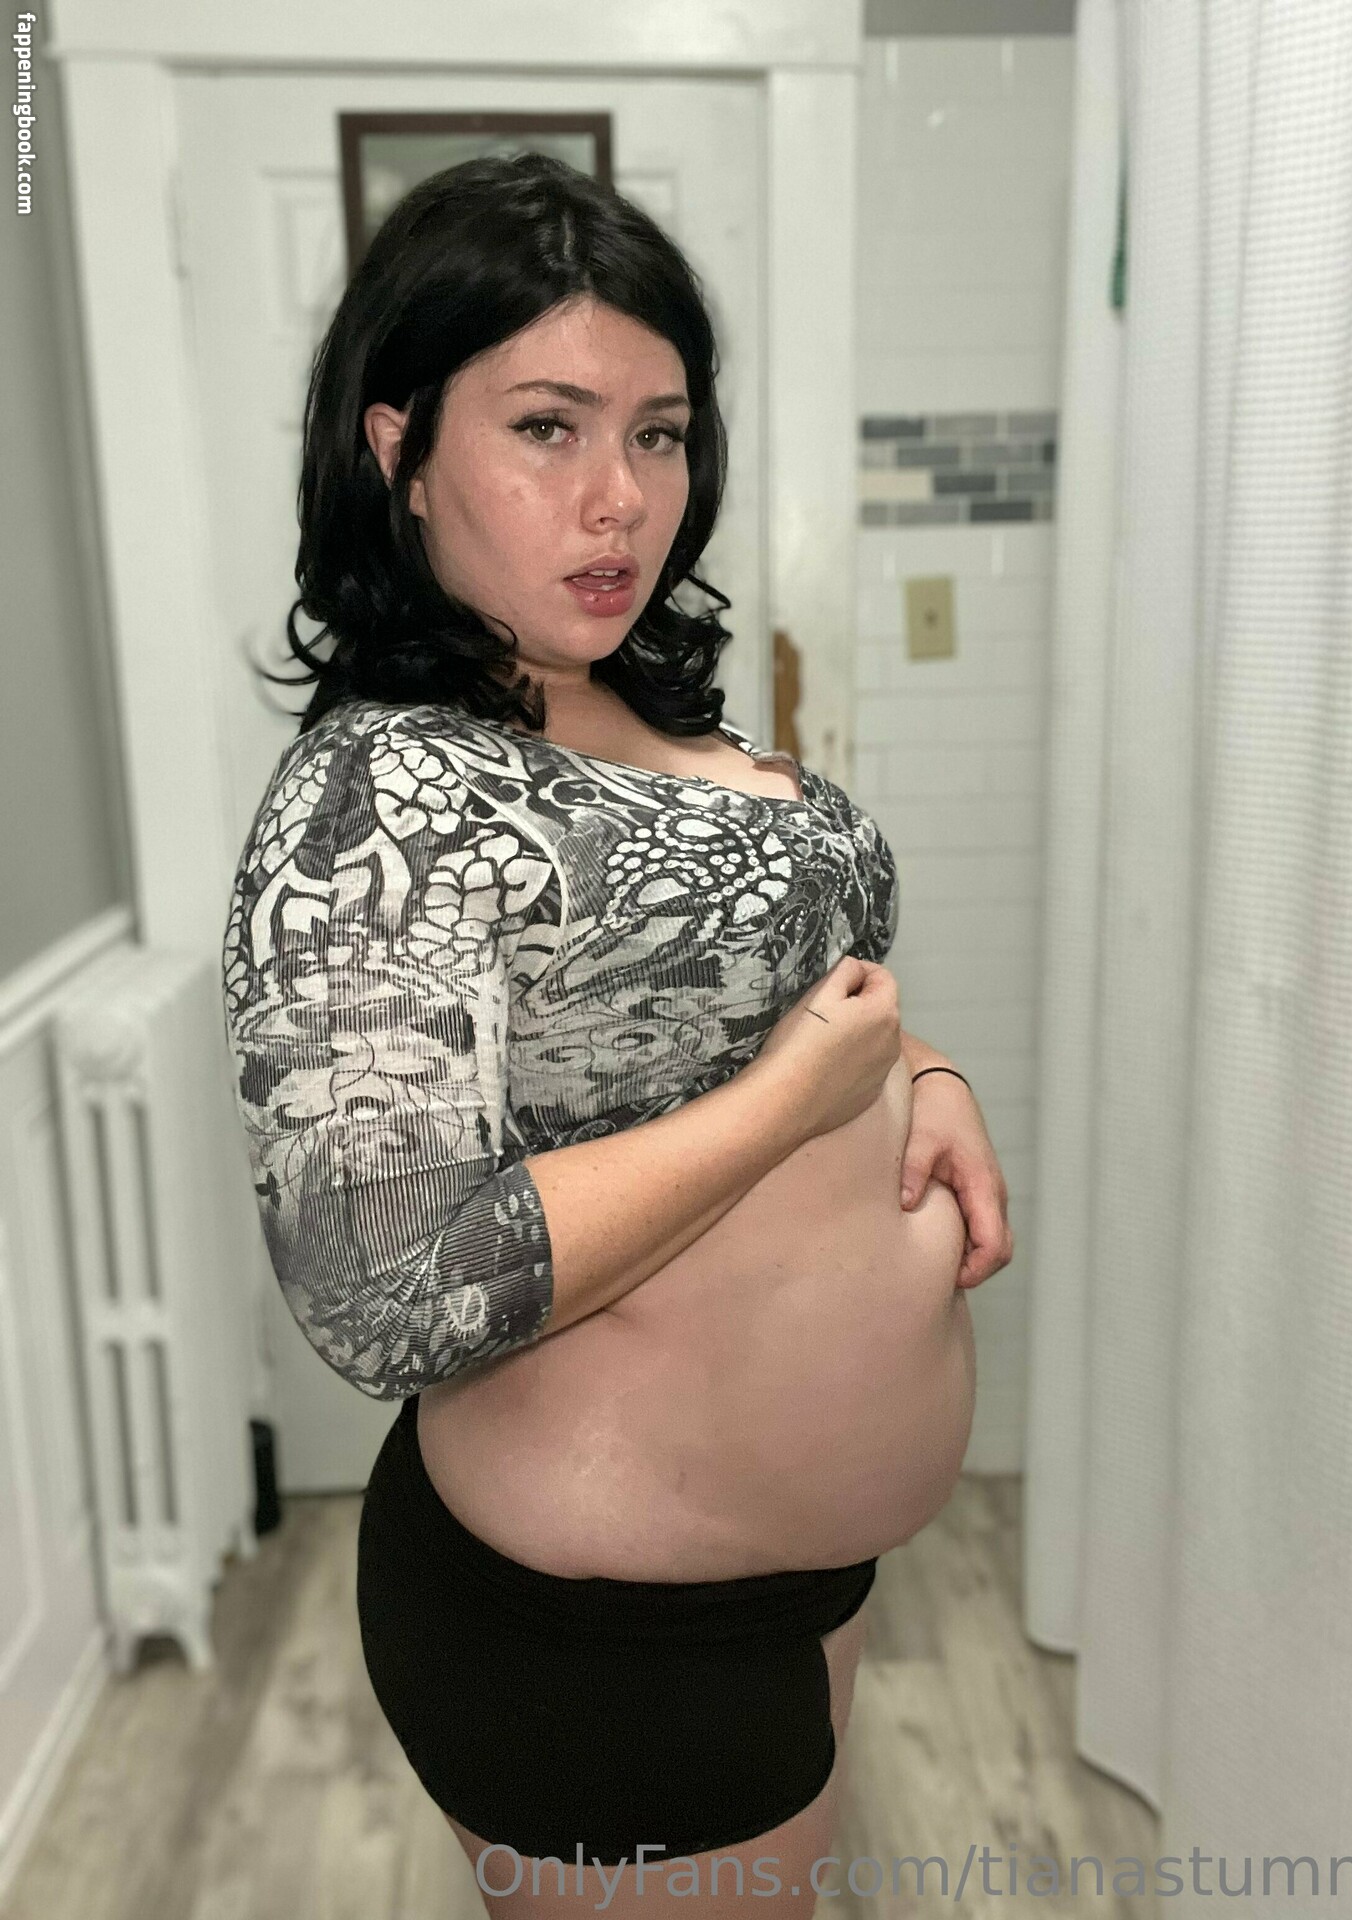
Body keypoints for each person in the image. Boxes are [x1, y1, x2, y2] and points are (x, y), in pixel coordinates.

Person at [221, 152, 1011, 1916]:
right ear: (399, 449)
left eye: (658, 434)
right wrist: (795, 1108)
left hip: (792, 1575)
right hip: (597, 1642)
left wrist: (923, 1073)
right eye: (547, 428)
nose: (621, 500)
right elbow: (384, 1286)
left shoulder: (649, 708)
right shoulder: (385, 795)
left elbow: (803, 991)